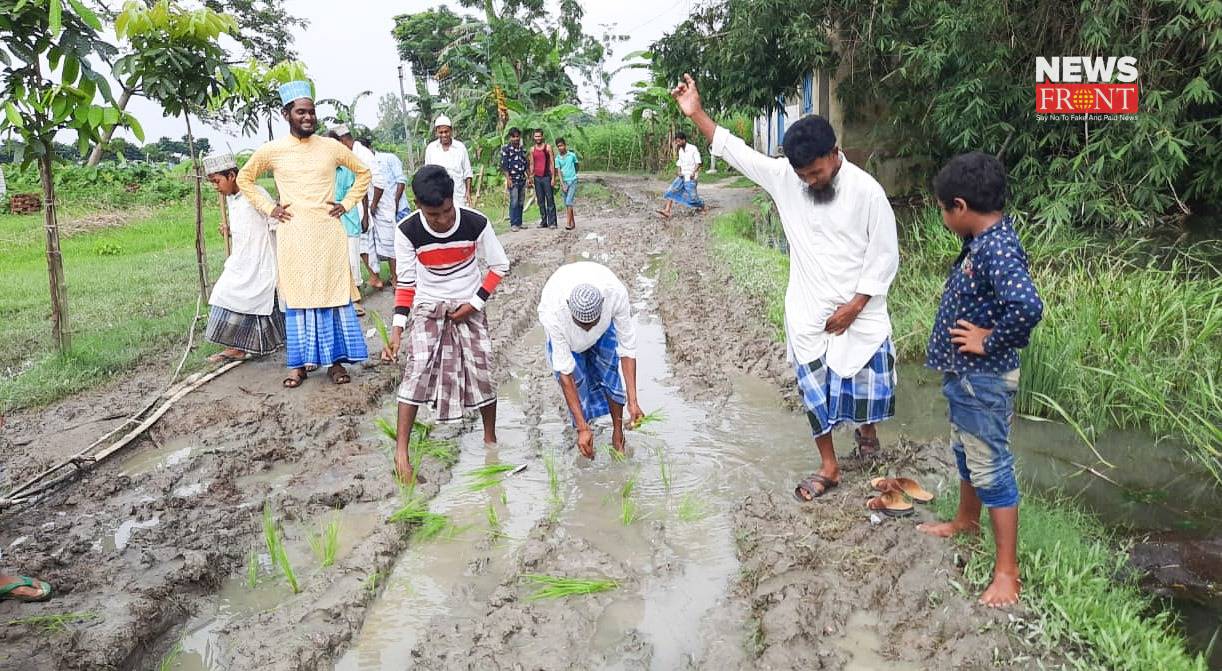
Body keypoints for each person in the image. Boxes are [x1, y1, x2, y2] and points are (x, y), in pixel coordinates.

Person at [670, 74, 900, 501]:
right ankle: (829, 467)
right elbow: (737, 152)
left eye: (816, 172)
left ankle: (867, 433)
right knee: (815, 392)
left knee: (865, 387)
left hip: (859, 312)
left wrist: (855, 305)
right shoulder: (787, 180)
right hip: (809, 312)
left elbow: (885, 256)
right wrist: (696, 113)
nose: (810, 181)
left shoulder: (868, 193)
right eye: (803, 175)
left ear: (835, 154)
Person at [917, 152, 1043, 607]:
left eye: (942, 209)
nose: (943, 217)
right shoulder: (982, 242)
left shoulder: (997, 248)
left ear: (960, 206)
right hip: (966, 379)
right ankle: (966, 521)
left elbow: (1027, 306)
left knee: (992, 467)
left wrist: (988, 340)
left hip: (983, 378)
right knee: (966, 453)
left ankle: (1007, 572)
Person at [237, 81, 372, 389]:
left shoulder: (331, 146)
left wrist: (348, 204)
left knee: (333, 296)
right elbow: (245, 178)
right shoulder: (273, 150)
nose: (308, 117)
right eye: (301, 112)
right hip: (293, 235)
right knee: (297, 298)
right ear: (287, 115)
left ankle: (336, 364)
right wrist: (269, 207)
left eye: (311, 112)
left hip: (328, 235)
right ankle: (298, 365)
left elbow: (364, 172)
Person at [381, 165, 509, 483]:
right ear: (419, 206)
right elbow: (407, 283)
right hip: (429, 308)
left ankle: (490, 439)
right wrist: (397, 330)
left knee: (482, 372)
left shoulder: (475, 222)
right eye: (432, 215)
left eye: (446, 211)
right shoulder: (407, 230)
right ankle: (402, 455)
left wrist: (474, 304)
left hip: (469, 304)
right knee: (418, 370)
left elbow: (499, 265)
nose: (441, 220)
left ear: (453, 200)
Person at [538, 262, 646, 459]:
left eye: (591, 324)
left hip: (603, 332)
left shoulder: (615, 295)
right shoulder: (553, 313)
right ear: (570, 308)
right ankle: (585, 430)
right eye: (582, 324)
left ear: (603, 308)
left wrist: (633, 401)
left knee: (609, 373)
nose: (587, 330)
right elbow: (565, 373)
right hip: (568, 340)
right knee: (579, 386)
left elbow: (627, 348)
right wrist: (581, 428)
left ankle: (618, 432)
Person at [202, 152, 285, 361]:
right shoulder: (231, 199)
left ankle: (243, 347)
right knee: (225, 293)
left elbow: (274, 221)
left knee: (252, 299)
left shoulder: (256, 193)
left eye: (217, 181)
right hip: (241, 258)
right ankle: (237, 347)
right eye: (213, 182)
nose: (216, 187)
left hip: (261, 258)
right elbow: (246, 224)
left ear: (231, 175)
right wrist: (230, 230)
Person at [330, 124, 386, 289]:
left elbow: (378, 182)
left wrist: (371, 209)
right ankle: (373, 278)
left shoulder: (359, 155)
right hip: (356, 206)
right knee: (362, 248)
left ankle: (371, 280)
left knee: (361, 248)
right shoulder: (350, 155)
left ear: (341, 141)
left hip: (360, 207)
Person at [324, 138, 367, 315]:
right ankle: (339, 298)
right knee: (333, 260)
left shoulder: (348, 170)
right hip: (327, 219)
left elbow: (357, 191)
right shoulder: (322, 170)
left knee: (352, 259)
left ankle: (356, 298)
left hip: (348, 216)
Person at [367, 136, 409, 287]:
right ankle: (395, 277)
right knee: (388, 245)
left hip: (398, 209)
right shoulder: (364, 164)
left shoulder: (388, 158)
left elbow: (401, 181)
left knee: (403, 244)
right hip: (382, 212)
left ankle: (404, 278)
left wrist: (396, 203)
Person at [423, 115, 474, 208]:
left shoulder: (460, 148)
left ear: (451, 131)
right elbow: (427, 174)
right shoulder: (431, 149)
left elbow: (468, 173)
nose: (444, 135)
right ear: (436, 133)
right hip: (438, 196)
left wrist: (468, 193)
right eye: (441, 132)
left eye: (446, 132)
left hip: (458, 196)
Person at [657, 131, 705, 218]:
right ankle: (667, 210)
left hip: (690, 177)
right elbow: (679, 163)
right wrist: (679, 171)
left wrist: (693, 173)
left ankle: (703, 206)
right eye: (677, 141)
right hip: (682, 176)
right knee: (672, 190)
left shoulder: (693, 149)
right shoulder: (680, 151)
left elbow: (699, 163)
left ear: (684, 140)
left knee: (693, 199)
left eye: (679, 141)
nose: (678, 143)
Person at [499, 127, 528, 232]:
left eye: (517, 136)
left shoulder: (522, 149)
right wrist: (508, 179)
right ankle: (513, 223)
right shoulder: (505, 149)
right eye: (513, 136)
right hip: (513, 180)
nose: (516, 138)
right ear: (510, 137)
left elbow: (525, 164)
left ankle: (520, 222)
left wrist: (529, 178)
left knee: (521, 202)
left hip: (522, 179)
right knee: (514, 201)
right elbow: (504, 165)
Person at [529, 128, 558, 229]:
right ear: (534, 137)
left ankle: (552, 222)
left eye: (539, 136)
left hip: (547, 177)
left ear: (542, 136)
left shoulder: (548, 147)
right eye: (536, 136)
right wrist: (531, 177)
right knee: (540, 200)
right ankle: (543, 221)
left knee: (550, 199)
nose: (537, 138)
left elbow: (552, 163)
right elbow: (532, 163)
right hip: (537, 178)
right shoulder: (532, 149)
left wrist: (553, 177)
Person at [554, 137, 580, 230]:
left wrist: (574, 175)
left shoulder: (572, 155)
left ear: (565, 145)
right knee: (568, 204)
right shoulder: (557, 159)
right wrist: (562, 184)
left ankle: (568, 223)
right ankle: (573, 223)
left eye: (561, 145)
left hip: (572, 180)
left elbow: (577, 166)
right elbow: (559, 172)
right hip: (564, 182)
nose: (560, 148)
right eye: (558, 146)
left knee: (569, 201)